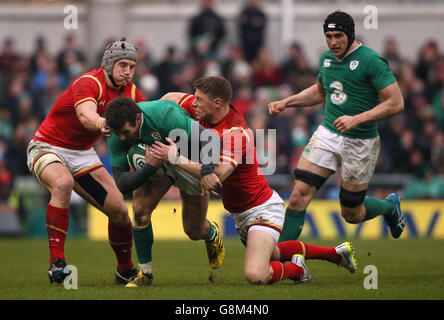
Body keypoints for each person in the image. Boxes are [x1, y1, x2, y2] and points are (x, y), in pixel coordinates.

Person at [151, 76, 357, 285]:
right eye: (194, 98)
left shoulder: (236, 134)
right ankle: (336, 254)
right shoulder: (201, 109)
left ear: (217, 103)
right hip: (240, 213)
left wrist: (175, 158)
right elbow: (170, 99)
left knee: (256, 274)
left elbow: (217, 177)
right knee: (274, 253)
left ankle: (297, 269)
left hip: (262, 209)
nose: (193, 103)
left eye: (199, 100)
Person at [267, 11, 406, 242]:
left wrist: (357, 119)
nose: (333, 42)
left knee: (351, 213)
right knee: (298, 195)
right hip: (328, 134)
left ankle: (389, 206)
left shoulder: (371, 60)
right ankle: (280, 259)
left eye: (338, 35)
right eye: (328, 36)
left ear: (350, 35)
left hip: (361, 141)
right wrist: (287, 102)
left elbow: (396, 103)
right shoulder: (326, 60)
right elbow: (321, 92)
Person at [26, 38, 145, 285]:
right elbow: (85, 114)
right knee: (62, 183)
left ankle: (125, 270)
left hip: (81, 153)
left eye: (132, 67)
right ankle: (56, 263)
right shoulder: (89, 82)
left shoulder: (133, 92)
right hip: (47, 146)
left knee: (120, 211)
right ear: (108, 65)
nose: (127, 71)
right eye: (122, 65)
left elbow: (148, 121)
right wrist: (103, 123)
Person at [103, 97, 225, 287]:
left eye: (126, 132)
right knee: (140, 209)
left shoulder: (165, 115)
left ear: (137, 118)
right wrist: (150, 167)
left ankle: (211, 233)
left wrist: (207, 171)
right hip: (157, 165)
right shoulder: (116, 133)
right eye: (119, 134)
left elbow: (211, 139)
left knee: (193, 230)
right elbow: (121, 183)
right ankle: (145, 274)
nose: (123, 138)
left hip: (186, 159)